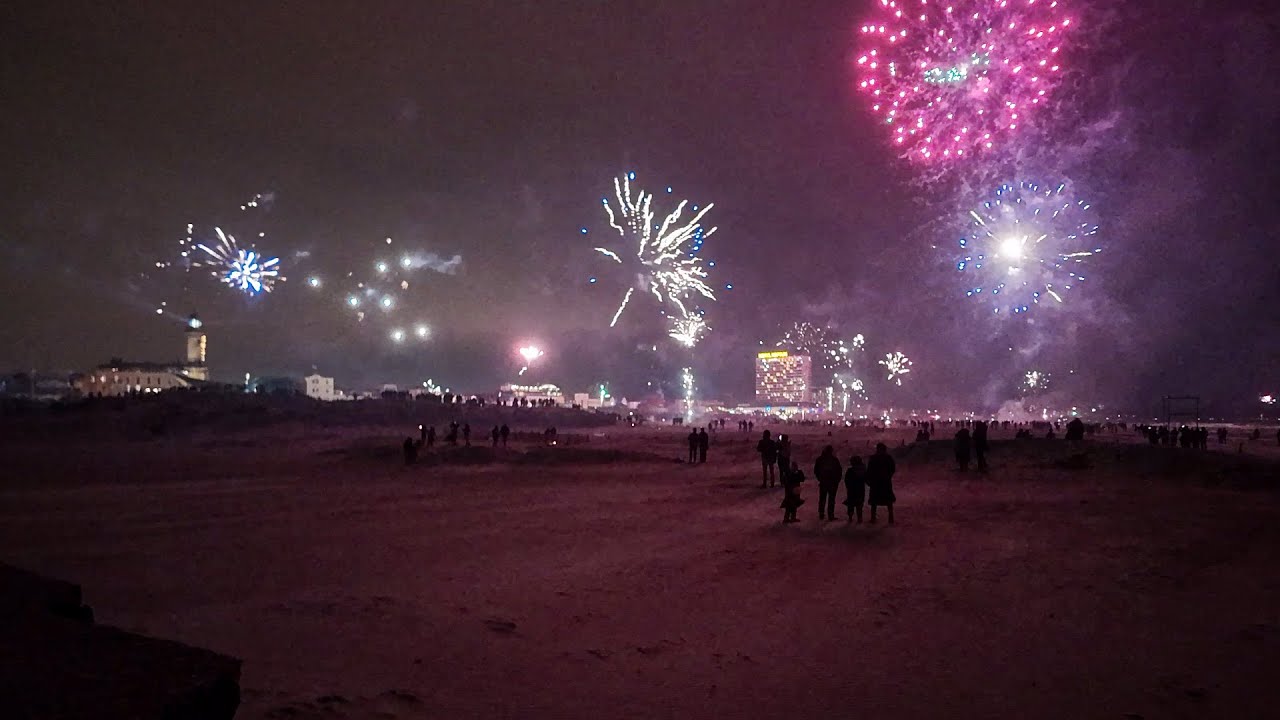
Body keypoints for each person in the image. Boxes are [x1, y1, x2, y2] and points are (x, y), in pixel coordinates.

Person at [866, 443, 896, 524]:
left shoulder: (873, 458)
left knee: (874, 500)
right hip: (884, 482)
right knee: (887, 500)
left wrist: (869, 479)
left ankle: (873, 518)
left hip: (876, 482)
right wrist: (888, 476)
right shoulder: (888, 458)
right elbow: (892, 468)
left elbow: (869, 470)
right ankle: (890, 518)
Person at [813, 445, 843, 521]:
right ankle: (829, 514)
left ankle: (822, 513)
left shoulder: (821, 459)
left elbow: (816, 470)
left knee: (824, 498)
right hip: (831, 483)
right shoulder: (834, 460)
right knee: (830, 499)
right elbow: (839, 471)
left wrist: (820, 478)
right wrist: (836, 480)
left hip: (826, 482)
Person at [843, 456, 866, 523]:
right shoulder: (863, 470)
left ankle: (850, 518)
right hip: (860, 490)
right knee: (859, 504)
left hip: (852, 490)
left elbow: (846, 480)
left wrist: (848, 487)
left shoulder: (850, 471)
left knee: (851, 504)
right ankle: (859, 518)